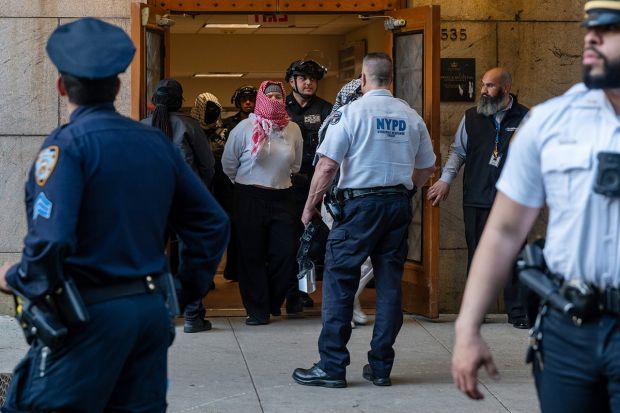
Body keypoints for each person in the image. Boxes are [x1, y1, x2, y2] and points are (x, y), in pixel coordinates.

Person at [0, 17, 229, 413]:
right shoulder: (155, 144)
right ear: (118, 86)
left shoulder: (67, 147)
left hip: (88, 317)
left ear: (61, 86)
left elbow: (51, 240)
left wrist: (18, 277)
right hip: (149, 312)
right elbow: (212, 224)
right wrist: (183, 290)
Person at [452, 1, 620, 410]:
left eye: (610, 29)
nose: (592, 38)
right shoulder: (551, 121)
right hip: (569, 329)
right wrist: (467, 328)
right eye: (590, 28)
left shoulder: (526, 116)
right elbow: (505, 231)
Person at [292, 52, 436, 388]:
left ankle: (332, 366)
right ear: (391, 79)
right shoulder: (410, 116)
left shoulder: (350, 113)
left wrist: (310, 206)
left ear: (362, 79)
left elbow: (327, 166)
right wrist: (406, 192)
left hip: (358, 208)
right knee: (389, 285)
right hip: (397, 206)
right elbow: (427, 167)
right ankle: (381, 367)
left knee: (340, 282)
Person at [426, 67, 530, 329]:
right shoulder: (471, 116)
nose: (483, 90)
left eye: (490, 86)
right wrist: (445, 180)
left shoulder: (526, 117)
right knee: (477, 256)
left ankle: (518, 313)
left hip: (514, 201)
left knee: (515, 256)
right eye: (483, 85)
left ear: (505, 89)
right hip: (476, 197)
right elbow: (458, 152)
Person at [222, 81, 303, 325]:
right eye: (270, 96)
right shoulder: (244, 128)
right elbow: (228, 164)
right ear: (261, 99)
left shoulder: (293, 129)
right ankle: (257, 310)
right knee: (251, 255)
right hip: (249, 197)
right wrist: (247, 183)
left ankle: (271, 302)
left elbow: (296, 165)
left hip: (283, 197)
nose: (275, 100)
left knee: (285, 253)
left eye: (279, 96)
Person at [142, 79, 216, 334]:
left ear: (154, 101)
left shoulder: (141, 127)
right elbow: (208, 166)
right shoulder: (190, 125)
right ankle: (193, 316)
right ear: (180, 101)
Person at [317, 78, 374, 327]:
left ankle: (351, 300)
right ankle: (344, 307)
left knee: (369, 260)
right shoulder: (336, 122)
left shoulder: (370, 123)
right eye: (357, 96)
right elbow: (325, 166)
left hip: (364, 199)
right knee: (347, 257)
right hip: (337, 200)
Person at [285, 59, 333, 310]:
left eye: (312, 79)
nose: (308, 83)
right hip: (286, 185)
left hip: (317, 184)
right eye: (303, 78)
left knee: (312, 241)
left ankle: (302, 291)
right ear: (291, 81)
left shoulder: (327, 109)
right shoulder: (280, 108)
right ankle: (288, 291)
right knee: (288, 239)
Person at [191, 92, 240, 283]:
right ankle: (204, 275)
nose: (211, 113)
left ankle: (233, 269)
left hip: (224, 185)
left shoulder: (225, 131)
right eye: (207, 109)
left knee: (232, 227)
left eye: (215, 109)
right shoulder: (191, 130)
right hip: (200, 186)